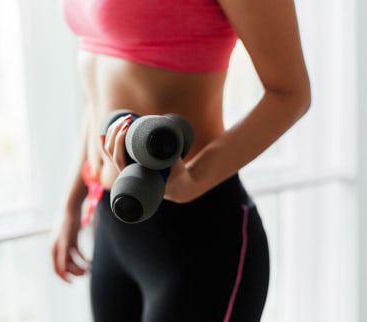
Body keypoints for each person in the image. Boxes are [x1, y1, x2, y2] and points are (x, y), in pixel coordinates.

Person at [51, 0, 311, 320]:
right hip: (113, 221)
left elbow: (291, 95)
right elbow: (100, 91)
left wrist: (194, 181)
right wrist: (71, 204)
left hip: (198, 233)